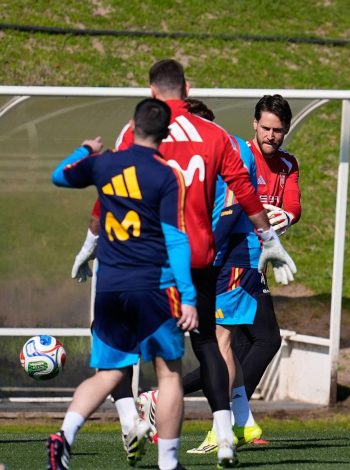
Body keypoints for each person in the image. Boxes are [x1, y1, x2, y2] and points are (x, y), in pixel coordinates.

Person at [89, 59, 296, 468]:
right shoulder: (219, 138)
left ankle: (123, 419)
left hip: (149, 257)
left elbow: (111, 183)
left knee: (119, 339)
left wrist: (94, 238)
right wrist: (268, 236)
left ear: (153, 92)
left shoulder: (138, 133)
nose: (271, 135)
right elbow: (243, 193)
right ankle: (222, 435)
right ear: (186, 88)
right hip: (203, 258)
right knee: (206, 347)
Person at [47, 98, 198, 470]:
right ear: (165, 134)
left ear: (132, 125)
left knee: (111, 373)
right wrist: (189, 296)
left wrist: (85, 150)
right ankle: (168, 463)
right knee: (169, 374)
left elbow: (60, 175)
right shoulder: (166, 175)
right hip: (154, 288)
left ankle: (65, 435)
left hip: (110, 288)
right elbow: (176, 239)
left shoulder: (104, 163)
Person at [179, 95, 301, 453]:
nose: (271, 135)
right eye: (266, 128)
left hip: (239, 258)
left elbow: (290, 206)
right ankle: (239, 420)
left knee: (227, 343)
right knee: (236, 342)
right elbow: (229, 206)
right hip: (231, 255)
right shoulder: (236, 152)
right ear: (254, 125)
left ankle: (222, 425)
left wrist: (283, 218)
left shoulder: (284, 163)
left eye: (278, 130)